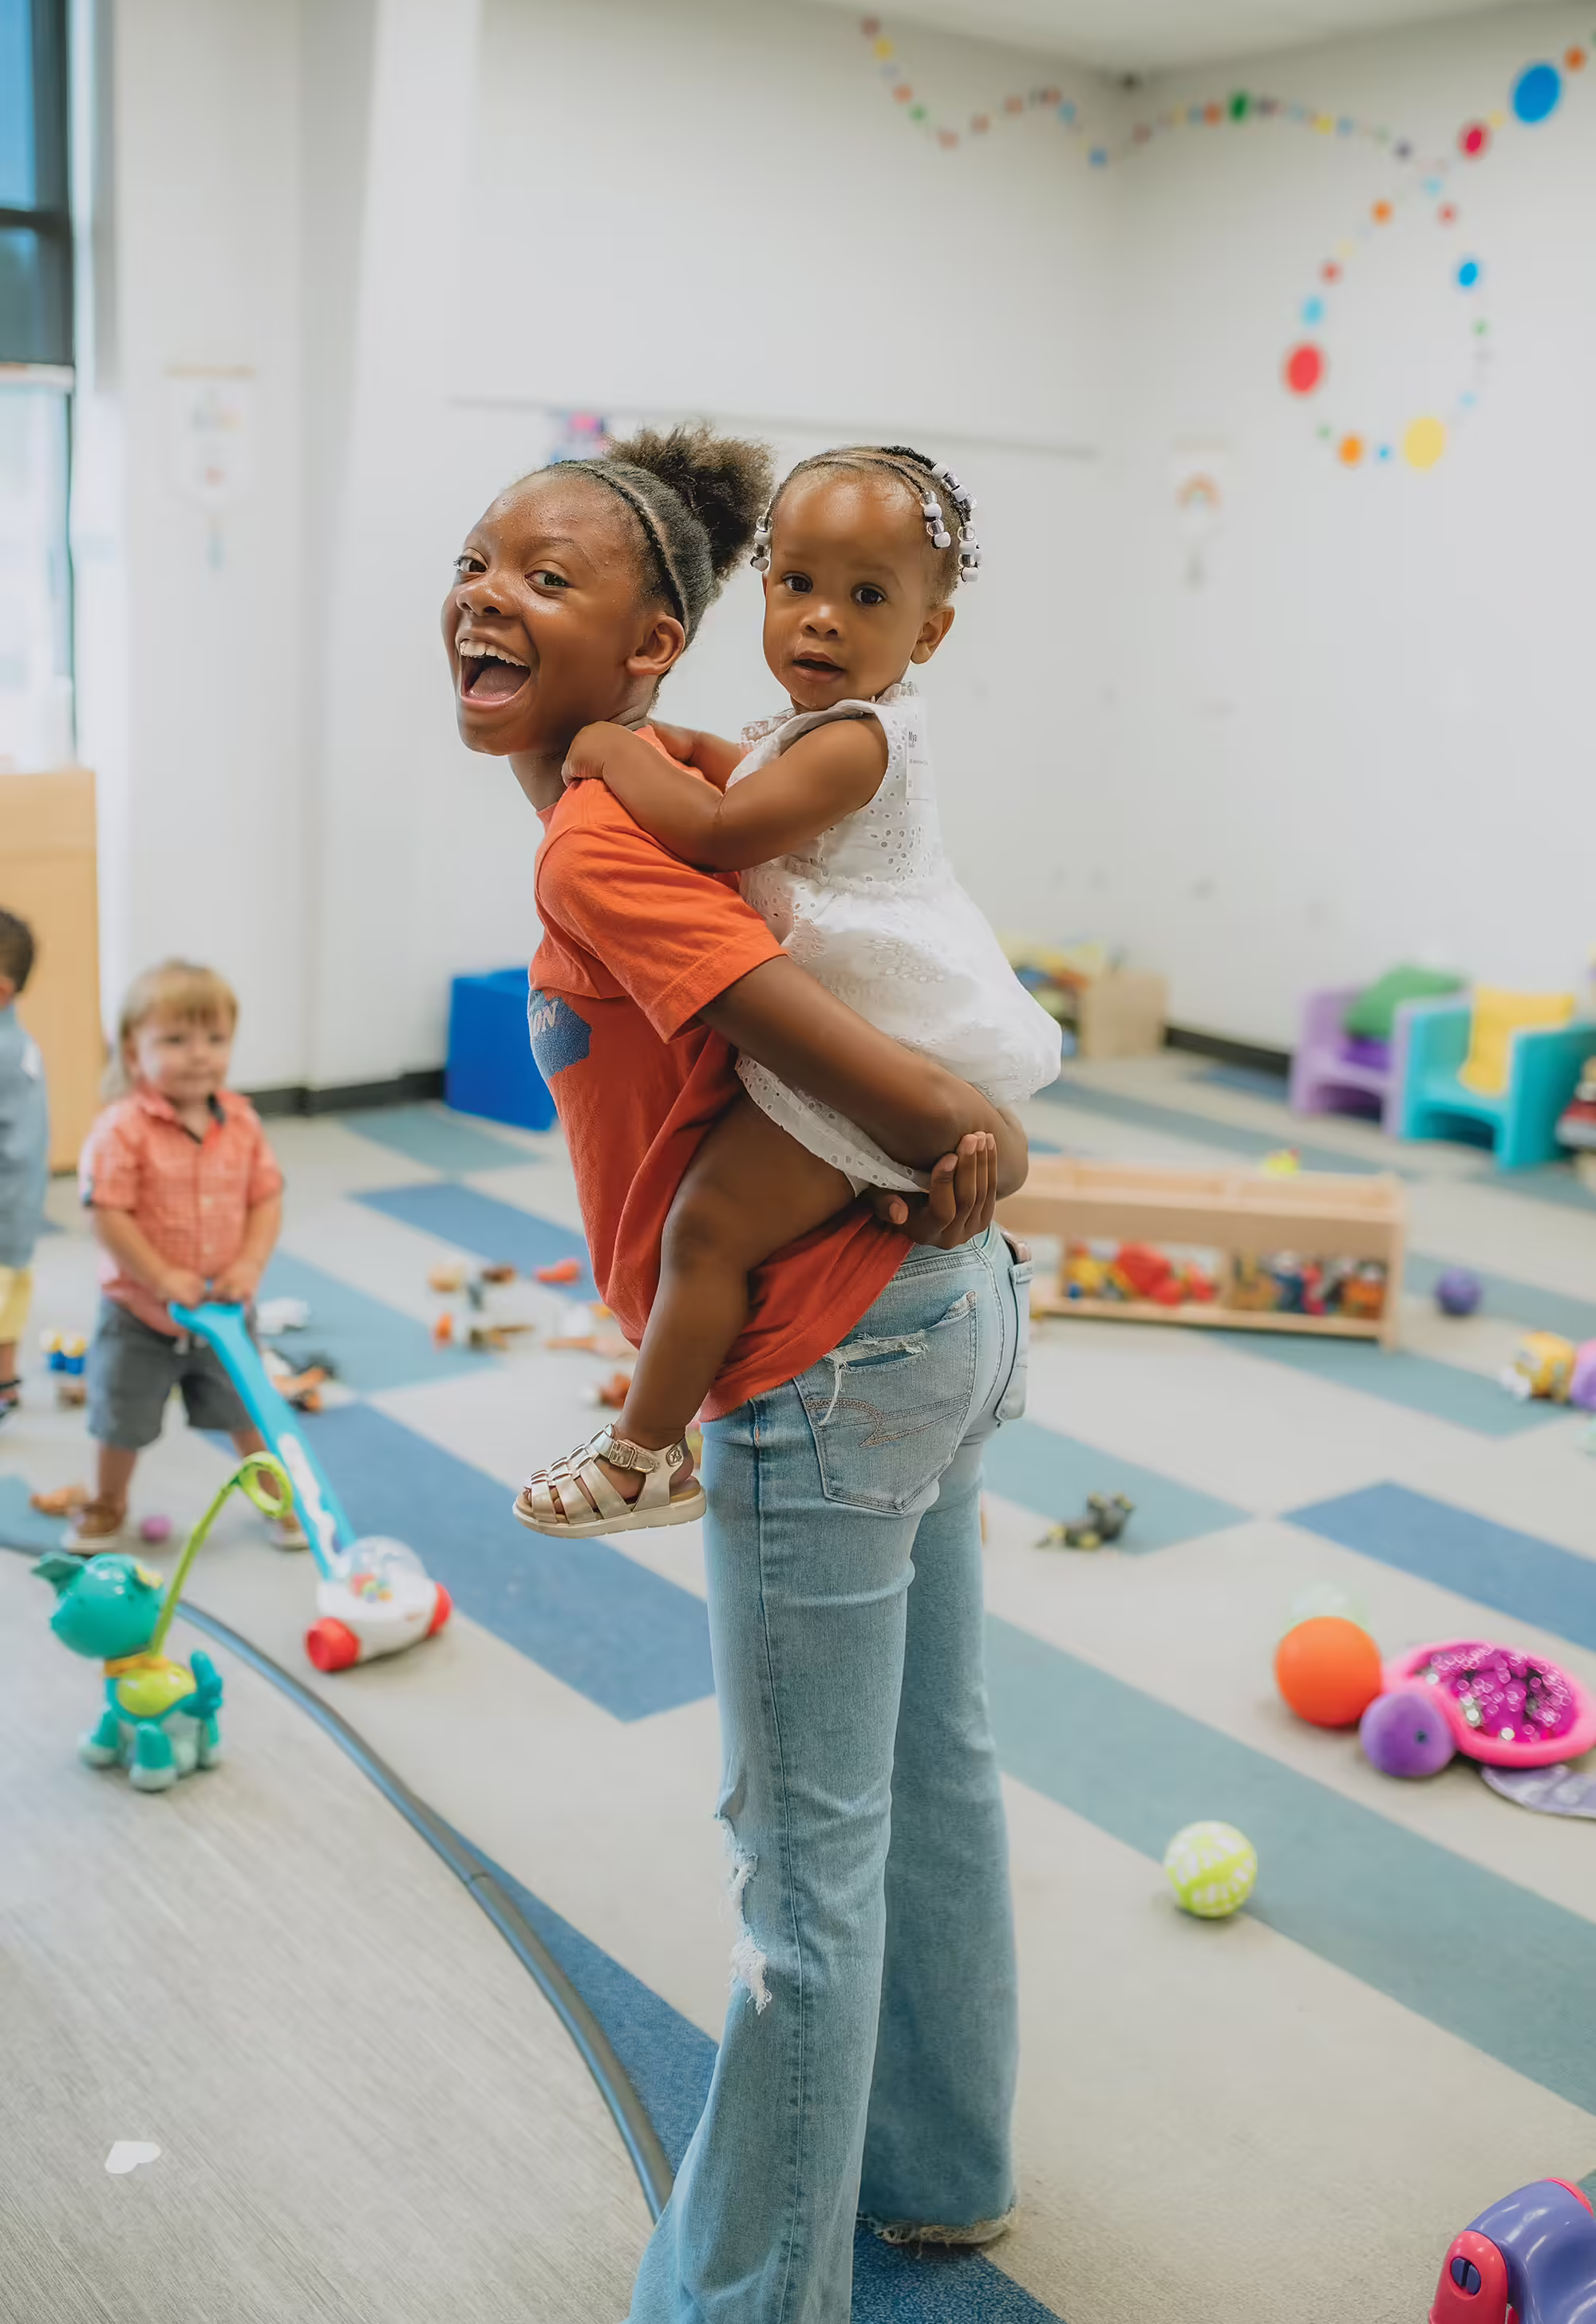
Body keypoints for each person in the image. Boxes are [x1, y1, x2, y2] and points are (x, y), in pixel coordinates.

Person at [448, 425, 1033, 2318]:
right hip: (926, 1322)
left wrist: (970, 1127)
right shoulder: (687, 780)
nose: (484, 594)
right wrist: (962, 1156)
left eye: (547, 577)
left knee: (798, 1877)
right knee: (926, 1778)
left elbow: (883, 1071)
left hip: (822, 1362)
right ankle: (935, 2170)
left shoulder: (609, 833)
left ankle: (746, 2297)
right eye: (475, 562)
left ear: (648, 640)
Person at [516, 442, 1059, 1535]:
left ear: (928, 632)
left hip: (886, 1045)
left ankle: (646, 1451)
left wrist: (619, 753)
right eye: (797, 584)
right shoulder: (812, 736)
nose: (821, 618)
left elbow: (722, 826)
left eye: (867, 597)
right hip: (927, 1234)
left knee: (709, 1227)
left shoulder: (858, 742)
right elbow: (741, 778)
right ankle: (650, 1439)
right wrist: (663, 745)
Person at [51, 961, 306, 1556]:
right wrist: (161, 1276)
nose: (199, 1055)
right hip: (138, 1315)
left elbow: (265, 1198)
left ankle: (275, 1495)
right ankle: (110, 1501)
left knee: (248, 1412)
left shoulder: (241, 1121)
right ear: (134, 1054)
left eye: (215, 1040)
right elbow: (106, 1214)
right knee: (120, 1421)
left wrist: (248, 1266)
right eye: (176, 1040)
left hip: (222, 1309)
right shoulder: (121, 1130)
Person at [0, 909, 49, 1422]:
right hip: (20, 1214)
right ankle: (6, 1384)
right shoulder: (20, 1044)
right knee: (9, 1305)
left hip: (3, 1207)